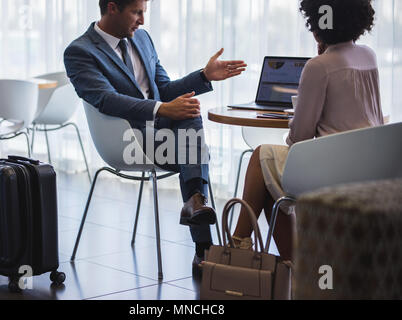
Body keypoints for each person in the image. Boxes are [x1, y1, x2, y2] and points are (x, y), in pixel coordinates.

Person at [64, 0, 247, 270]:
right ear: (112, 8)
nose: (142, 21)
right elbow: (106, 99)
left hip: (163, 135)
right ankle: (200, 228)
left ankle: (199, 220)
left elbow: (164, 89)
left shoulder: (143, 39)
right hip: (127, 139)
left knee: (188, 113)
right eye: (136, 12)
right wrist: (163, 108)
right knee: (195, 147)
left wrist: (203, 75)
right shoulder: (81, 51)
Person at [232, 0, 384, 261]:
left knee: (261, 158)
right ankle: (292, 265)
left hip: (331, 174)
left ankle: (236, 250)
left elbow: (299, 140)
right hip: (368, 170)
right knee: (270, 178)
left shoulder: (318, 67)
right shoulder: (368, 56)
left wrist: (298, 116)